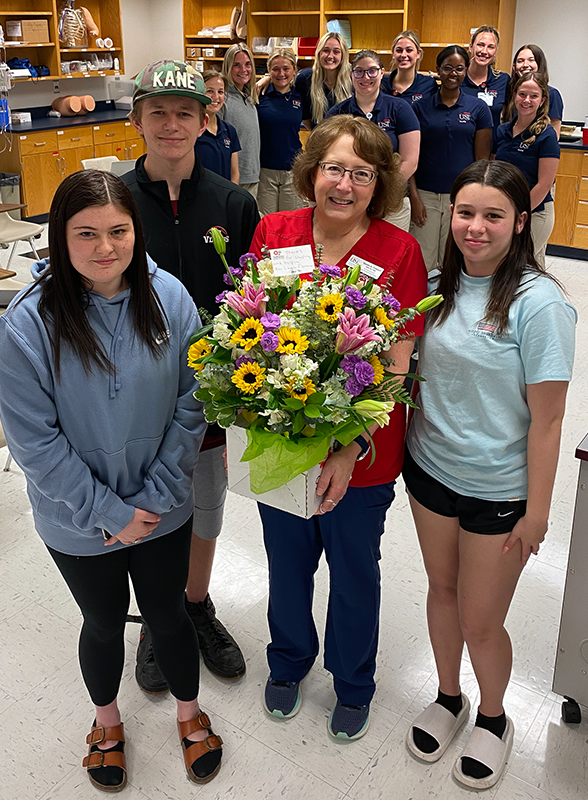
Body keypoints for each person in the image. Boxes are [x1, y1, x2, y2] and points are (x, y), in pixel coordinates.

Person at [0, 169, 224, 790]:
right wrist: (108, 511)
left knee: (169, 616)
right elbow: (34, 442)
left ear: (136, 231)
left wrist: (151, 498)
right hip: (75, 521)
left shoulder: (169, 297)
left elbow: (193, 399)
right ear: (58, 237)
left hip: (162, 507)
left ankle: (189, 712)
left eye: (118, 231)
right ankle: (106, 721)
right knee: (101, 622)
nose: (105, 247)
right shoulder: (28, 324)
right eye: (85, 233)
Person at [250, 115, 427, 740]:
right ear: (311, 173)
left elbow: (396, 367)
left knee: (354, 572)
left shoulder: (397, 251)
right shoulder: (274, 233)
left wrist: (351, 447)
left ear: (377, 184)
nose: (344, 185)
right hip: (284, 441)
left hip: (363, 455)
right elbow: (251, 338)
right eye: (334, 169)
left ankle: (353, 683)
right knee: (286, 564)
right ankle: (289, 662)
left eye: (360, 173)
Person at [404, 159, 576, 790]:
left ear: (520, 221)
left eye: (493, 216)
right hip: (429, 472)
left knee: (482, 618)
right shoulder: (437, 285)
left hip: (500, 490)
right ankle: (449, 698)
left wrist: (538, 513)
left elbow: (549, 422)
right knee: (441, 592)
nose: (475, 228)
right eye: (466, 213)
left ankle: (495, 718)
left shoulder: (539, 304)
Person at [124, 60, 259, 691]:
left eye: (185, 112)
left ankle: (196, 604)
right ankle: (157, 618)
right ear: (138, 119)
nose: (171, 125)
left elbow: (261, 301)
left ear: (207, 120)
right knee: (150, 510)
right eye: (159, 111)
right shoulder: (116, 206)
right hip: (138, 402)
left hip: (213, 403)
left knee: (205, 511)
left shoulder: (234, 204)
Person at [409, 45, 493, 271]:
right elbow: (410, 158)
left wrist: (474, 202)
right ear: (437, 70)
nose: (453, 74)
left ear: (466, 70)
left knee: (453, 260)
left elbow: (481, 162)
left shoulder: (478, 108)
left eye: (459, 68)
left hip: (460, 198)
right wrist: (414, 197)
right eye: (447, 68)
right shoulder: (419, 108)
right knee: (422, 262)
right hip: (424, 197)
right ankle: (422, 307)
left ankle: (450, 306)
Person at [327, 49, 420, 231]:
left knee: (390, 254)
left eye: (372, 70)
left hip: (391, 202)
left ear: (382, 72)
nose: (365, 77)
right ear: (351, 74)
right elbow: (329, 158)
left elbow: (410, 161)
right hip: (348, 199)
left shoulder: (400, 109)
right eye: (359, 71)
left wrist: (380, 190)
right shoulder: (337, 113)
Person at [494, 72, 560, 266]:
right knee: (503, 265)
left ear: (542, 100)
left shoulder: (546, 136)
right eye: (522, 94)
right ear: (515, 95)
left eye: (534, 96)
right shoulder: (502, 131)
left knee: (523, 267)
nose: (527, 100)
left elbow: (545, 183)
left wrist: (519, 214)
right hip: (506, 211)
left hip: (535, 212)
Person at [256, 48, 304, 215]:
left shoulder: (301, 94)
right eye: (275, 69)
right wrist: (265, 79)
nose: (281, 73)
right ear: (269, 70)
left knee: (290, 222)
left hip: (292, 169)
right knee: (266, 222)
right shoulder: (259, 94)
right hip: (265, 170)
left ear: (294, 70)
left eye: (286, 68)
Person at [221, 43, 261, 199]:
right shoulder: (223, 100)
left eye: (247, 64)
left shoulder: (249, 97)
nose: (243, 70)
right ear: (228, 67)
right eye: (236, 65)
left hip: (253, 176)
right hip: (234, 179)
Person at [504, 44, 564, 139]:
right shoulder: (510, 91)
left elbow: (554, 134)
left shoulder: (552, 94)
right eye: (520, 61)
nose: (525, 65)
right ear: (514, 68)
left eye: (531, 60)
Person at [295, 31, 352, 129]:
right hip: (319, 139)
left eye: (336, 51)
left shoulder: (353, 79)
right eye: (326, 50)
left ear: (343, 55)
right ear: (318, 53)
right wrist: (268, 78)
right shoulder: (306, 78)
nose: (330, 56)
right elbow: (306, 118)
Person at [194, 70, 240, 183]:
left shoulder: (229, 130)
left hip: (225, 197)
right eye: (209, 91)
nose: (216, 97)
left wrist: (233, 196)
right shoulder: (192, 130)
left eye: (220, 92)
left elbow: (235, 173)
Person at [461, 25, 509, 130]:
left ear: (496, 51)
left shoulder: (503, 80)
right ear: (470, 47)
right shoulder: (457, 79)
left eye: (490, 47)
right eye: (480, 45)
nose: (484, 51)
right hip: (462, 144)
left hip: (492, 144)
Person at [380, 29, 438, 105]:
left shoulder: (428, 85)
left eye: (409, 50)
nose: (403, 55)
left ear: (418, 53)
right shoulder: (381, 84)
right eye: (399, 50)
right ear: (393, 54)